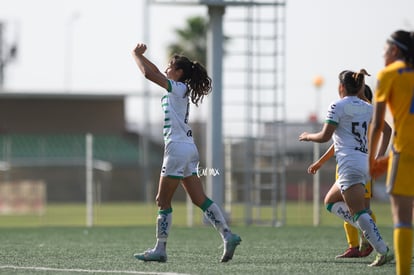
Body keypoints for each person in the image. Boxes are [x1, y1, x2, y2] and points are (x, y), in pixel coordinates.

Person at [131, 43, 241, 263]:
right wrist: (144, 57)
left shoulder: (177, 88)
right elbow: (154, 71)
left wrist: (135, 55)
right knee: (199, 198)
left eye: (170, 66)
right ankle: (228, 235)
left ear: (179, 73)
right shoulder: (180, 89)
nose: (166, 69)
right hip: (189, 148)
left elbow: (147, 73)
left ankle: (160, 249)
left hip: (177, 149)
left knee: (162, 200)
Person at [299, 69, 393, 267]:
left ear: (341, 86)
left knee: (359, 212)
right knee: (331, 202)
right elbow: (387, 130)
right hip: (364, 163)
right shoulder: (368, 107)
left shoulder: (337, 106)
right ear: (359, 86)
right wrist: (379, 156)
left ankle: (382, 249)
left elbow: (325, 136)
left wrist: (307, 136)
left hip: (349, 165)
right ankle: (370, 232)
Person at [368, 30, 414, 275]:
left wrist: (372, 160)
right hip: (403, 151)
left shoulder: (388, 75)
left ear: (395, 50)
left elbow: (377, 125)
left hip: (405, 154)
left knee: (403, 219)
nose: (383, 53)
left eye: (385, 49)